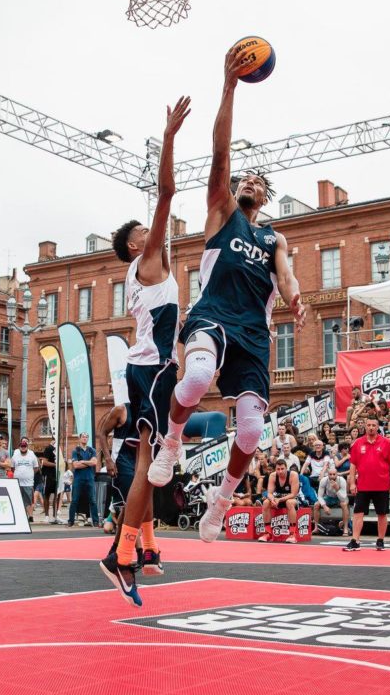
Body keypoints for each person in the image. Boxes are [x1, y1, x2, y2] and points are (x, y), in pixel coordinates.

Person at [155, 49, 307, 550]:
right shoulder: (222, 212)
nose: (249, 183)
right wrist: (229, 86)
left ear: (264, 198)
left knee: (248, 433)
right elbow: (221, 153)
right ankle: (172, 440)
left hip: (254, 333)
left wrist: (296, 297)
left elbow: (285, 278)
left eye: (258, 184)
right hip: (214, 314)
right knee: (197, 377)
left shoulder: (273, 239)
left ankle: (221, 502)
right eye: (246, 179)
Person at [95, 98, 190, 605]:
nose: (153, 235)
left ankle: (146, 547)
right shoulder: (148, 262)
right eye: (145, 233)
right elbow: (167, 194)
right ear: (138, 247)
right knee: (152, 462)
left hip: (149, 368)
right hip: (152, 371)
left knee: (152, 462)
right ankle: (121, 553)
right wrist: (169, 135)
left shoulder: (151, 272)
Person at [343, 416, 390, 552]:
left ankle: (381, 540)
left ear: (378, 427)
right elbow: (353, 464)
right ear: (365, 426)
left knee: (382, 514)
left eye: (374, 425)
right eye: (369, 425)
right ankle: (355, 541)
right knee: (358, 513)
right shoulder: (357, 443)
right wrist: (353, 483)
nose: (371, 427)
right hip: (363, 485)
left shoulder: (386, 443)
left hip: (382, 485)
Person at [259, 459, 300, 543]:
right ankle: (268, 533)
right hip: (278, 498)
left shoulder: (293, 475)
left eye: (282, 469)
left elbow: (293, 494)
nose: (280, 471)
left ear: (286, 468)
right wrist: (272, 499)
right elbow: (269, 493)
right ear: (275, 469)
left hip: (292, 499)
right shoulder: (272, 476)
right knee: (266, 502)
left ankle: (293, 534)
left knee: (289, 503)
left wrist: (279, 499)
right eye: (278, 469)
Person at [68, 434, 99, 527]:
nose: (85, 438)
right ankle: (71, 521)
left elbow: (95, 462)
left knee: (92, 500)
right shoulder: (75, 451)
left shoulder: (92, 450)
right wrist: (89, 463)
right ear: (79, 438)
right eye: (83, 437)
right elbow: (76, 465)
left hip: (89, 478)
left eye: (86, 437)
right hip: (78, 479)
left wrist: (82, 461)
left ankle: (96, 521)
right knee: (74, 500)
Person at [11, 438, 38, 520]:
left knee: (29, 500)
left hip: (28, 483)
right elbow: (12, 468)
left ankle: (30, 516)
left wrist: (29, 474)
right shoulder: (15, 456)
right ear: (19, 447)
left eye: (24, 446)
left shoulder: (32, 456)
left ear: (27, 447)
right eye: (22, 447)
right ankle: (21, 516)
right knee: (18, 500)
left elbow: (36, 468)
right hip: (17, 482)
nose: (23, 448)